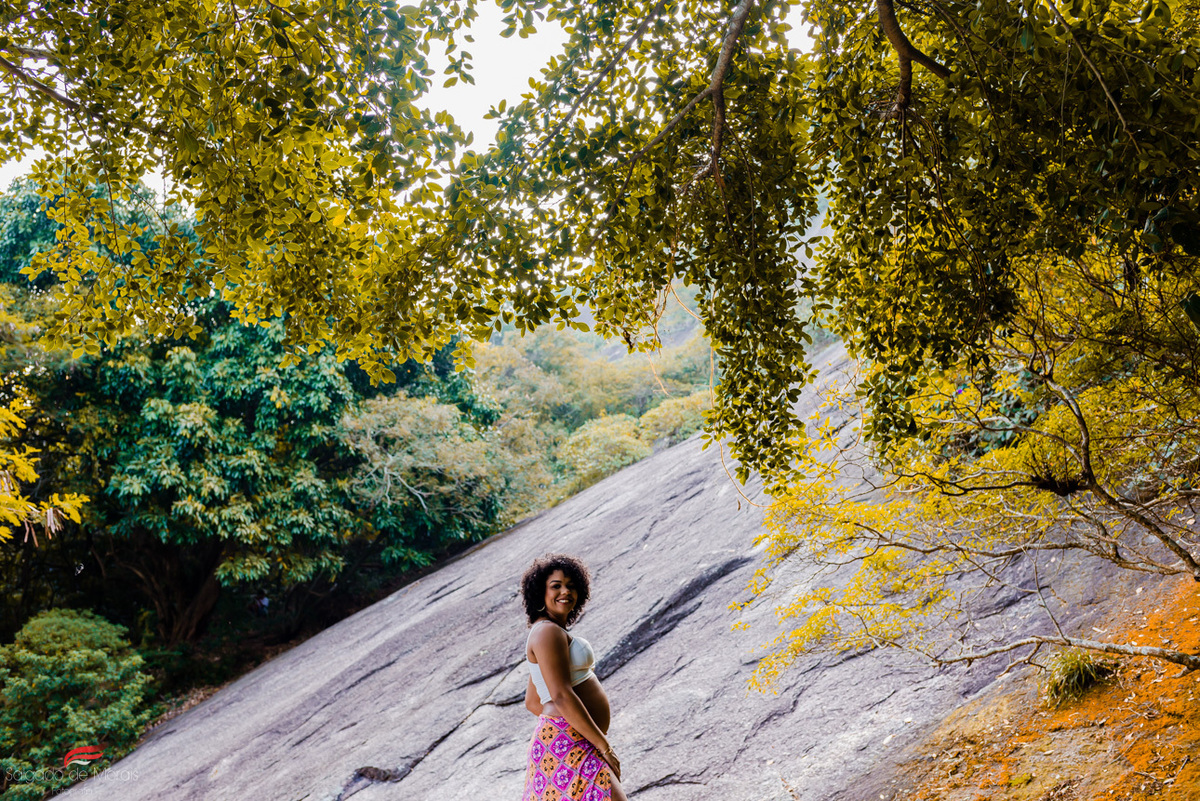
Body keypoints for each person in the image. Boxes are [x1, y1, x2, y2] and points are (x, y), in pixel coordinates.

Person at [519, 554, 628, 801]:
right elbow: (560, 695)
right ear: (540, 592)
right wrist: (602, 745)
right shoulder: (547, 632)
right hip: (568, 742)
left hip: (571, 739)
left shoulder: (548, 630)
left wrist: (580, 731)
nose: (565, 591)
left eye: (571, 585)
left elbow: (533, 700)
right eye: (556, 586)